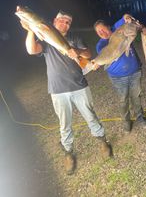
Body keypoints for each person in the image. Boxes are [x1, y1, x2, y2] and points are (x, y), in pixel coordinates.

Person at [19, 10, 112, 175]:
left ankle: (102, 141)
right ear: (54, 21)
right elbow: (31, 50)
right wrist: (30, 31)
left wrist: (76, 51)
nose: (65, 24)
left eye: (68, 22)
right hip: (58, 89)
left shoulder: (74, 38)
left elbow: (88, 53)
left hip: (79, 86)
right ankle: (68, 153)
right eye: (62, 20)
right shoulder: (46, 39)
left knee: (91, 116)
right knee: (65, 124)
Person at [93, 14, 146, 133]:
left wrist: (129, 19)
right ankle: (126, 121)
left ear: (109, 27)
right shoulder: (101, 45)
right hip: (117, 78)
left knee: (136, 96)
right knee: (123, 100)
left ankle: (140, 118)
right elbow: (107, 56)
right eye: (99, 32)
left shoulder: (117, 29)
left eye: (103, 29)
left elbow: (125, 18)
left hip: (135, 72)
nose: (102, 32)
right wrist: (95, 63)